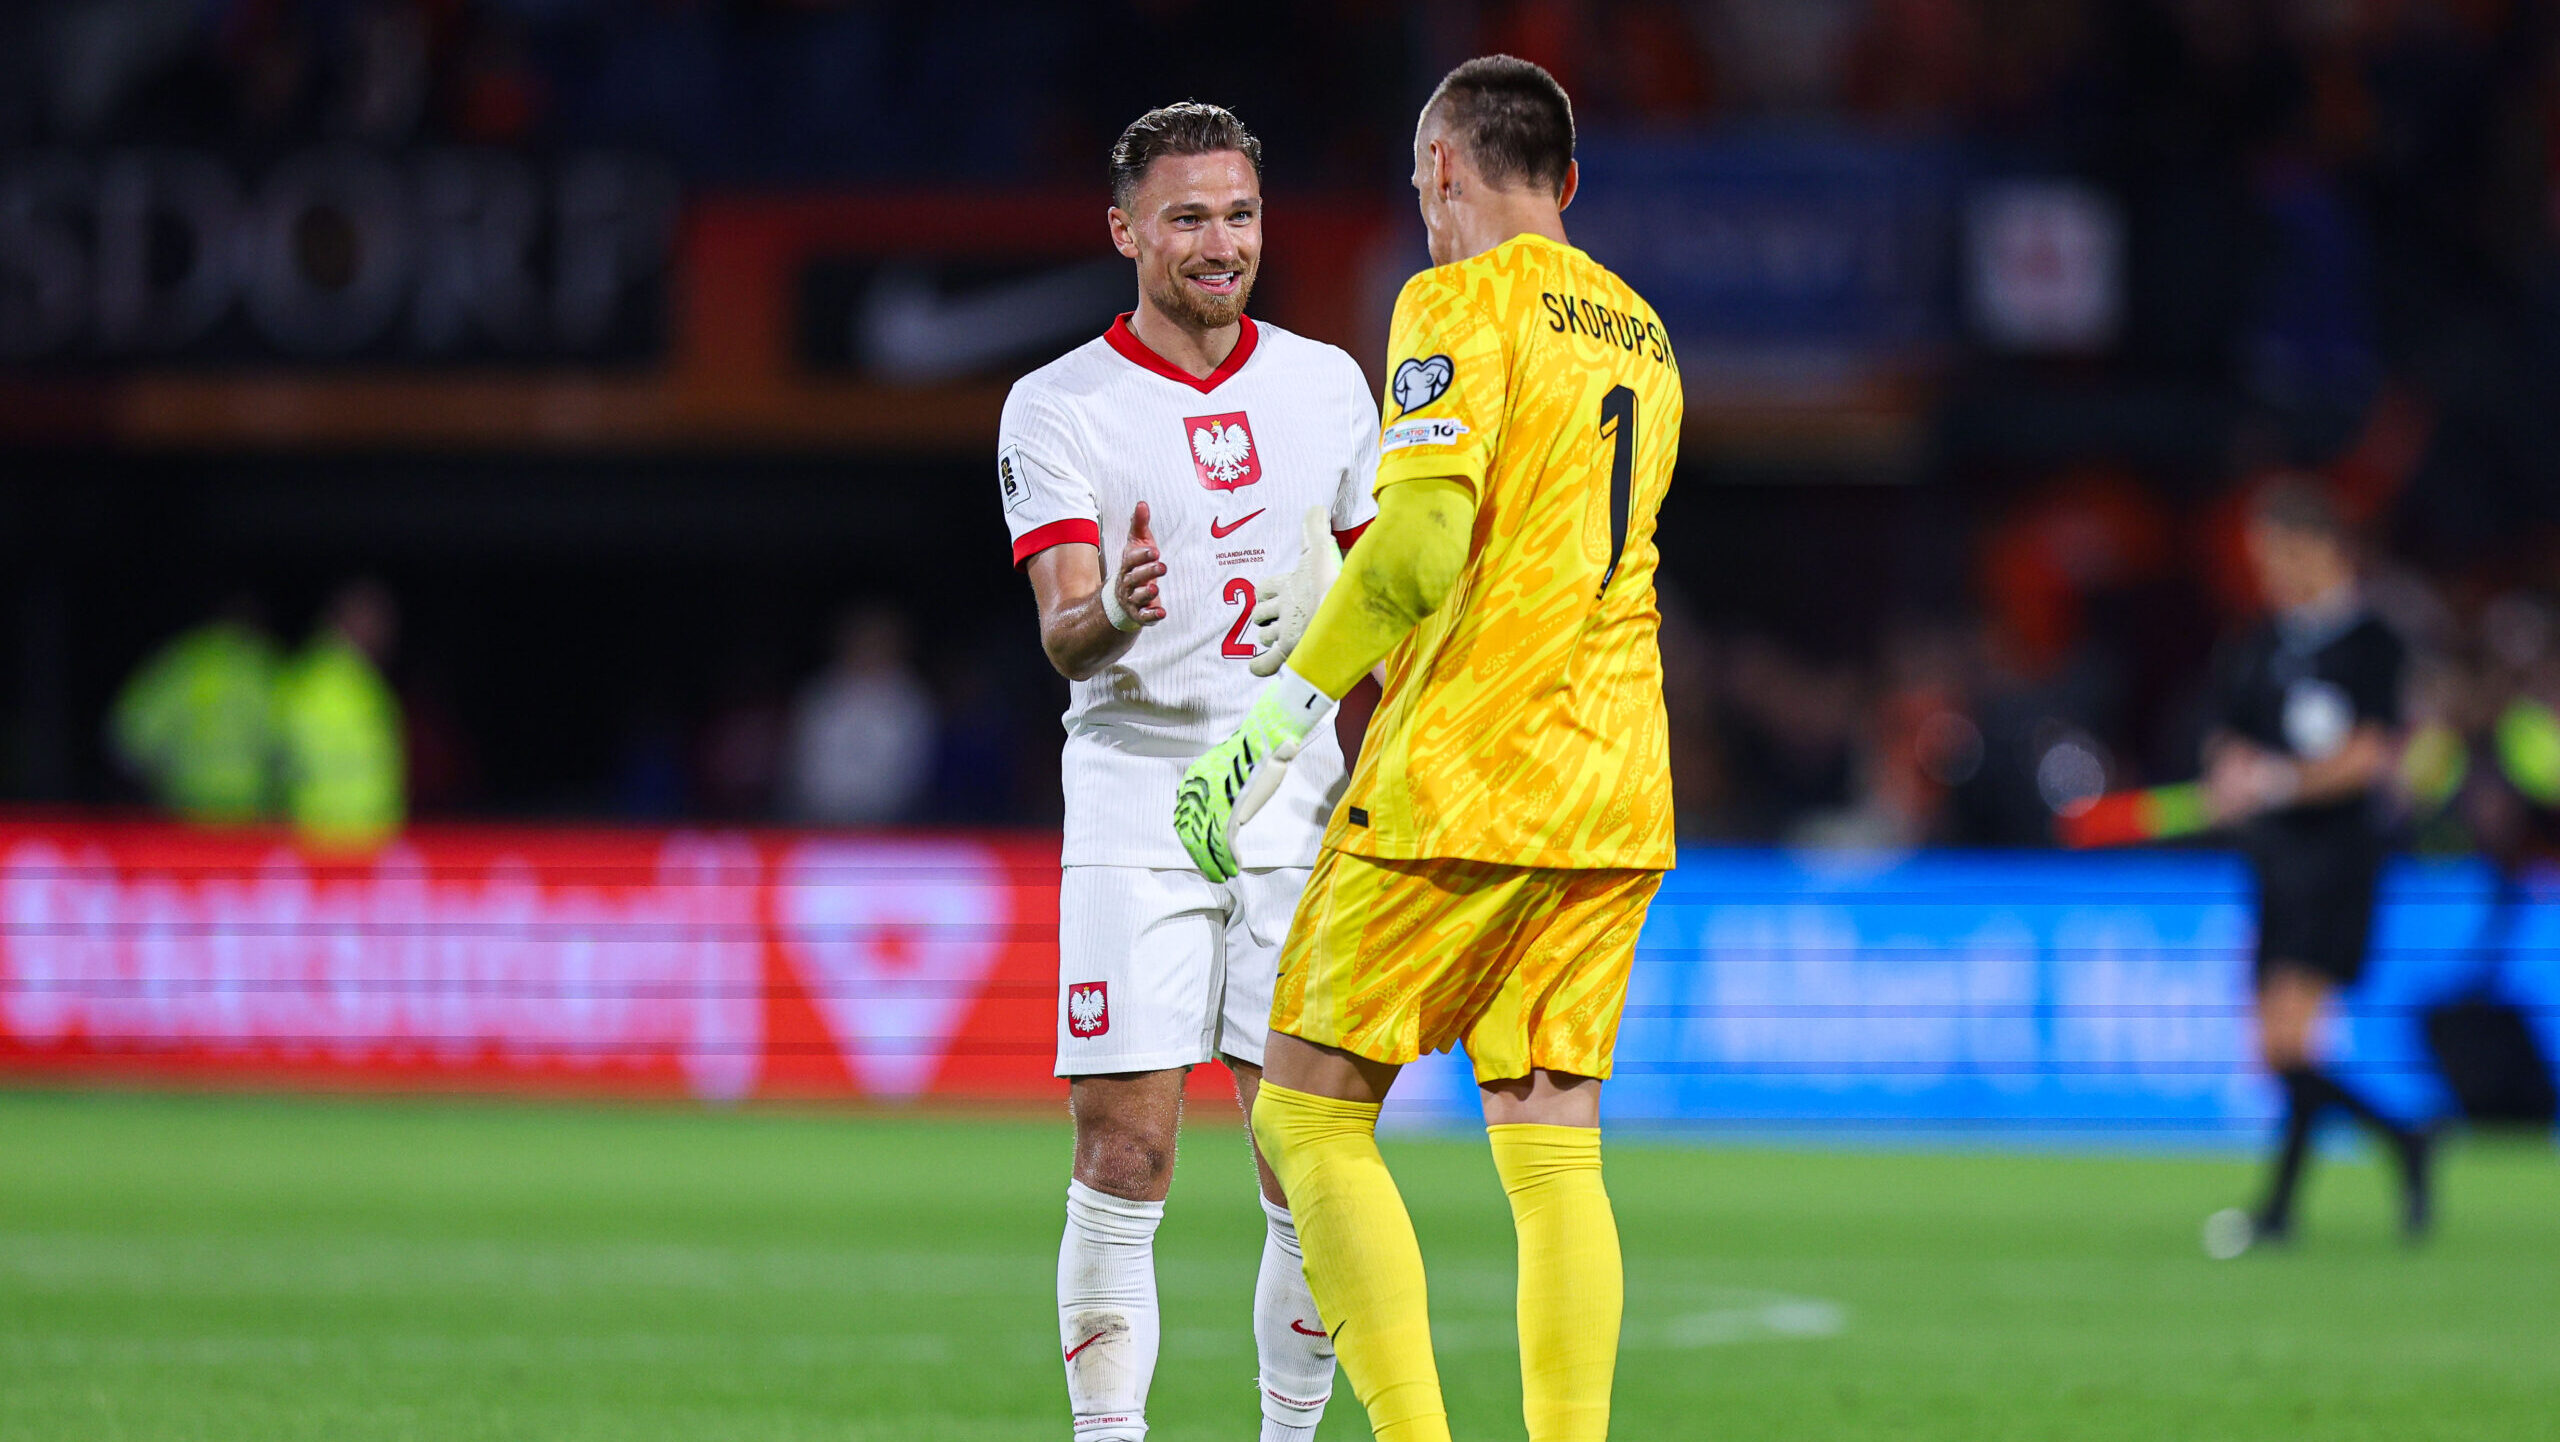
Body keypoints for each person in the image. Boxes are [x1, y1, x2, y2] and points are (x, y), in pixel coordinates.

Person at [1176, 57, 1681, 1442]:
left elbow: (1415, 547)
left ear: (1444, 168)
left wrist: (1277, 721)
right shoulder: (1643, 335)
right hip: (1614, 783)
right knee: (1552, 1145)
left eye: (1419, 181)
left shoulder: (1455, 300)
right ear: (1566, 180)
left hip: (1466, 772)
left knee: (1307, 1112)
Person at [997, 102, 1380, 1442]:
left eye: (1240, 214)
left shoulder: (1329, 384)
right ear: (1124, 229)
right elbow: (1064, 628)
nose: (1221, 243)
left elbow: (1390, 593)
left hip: (1296, 796)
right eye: (1187, 218)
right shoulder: (1059, 404)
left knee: (1307, 1155)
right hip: (1136, 791)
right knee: (1127, 1147)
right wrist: (1119, 606)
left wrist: (1336, 610)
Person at [2200, 480, 2431, 1259]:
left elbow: (2369, 756)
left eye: (2277, 555)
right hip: (2273, 859)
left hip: (2339, 859)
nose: (2268, 573)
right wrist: (2230, 776)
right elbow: (2230, 734)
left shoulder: (2376, 642)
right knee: (2279, 1050)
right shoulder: (2260, 641)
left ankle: (2279, 1211)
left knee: (2290, 1037)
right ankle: (2403, 1138)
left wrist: (2278, 782)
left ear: (2322, 549)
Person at [110, 594, 281, 825]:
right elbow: (290, 744)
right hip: (248, 811)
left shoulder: (180, 663)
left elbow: (130, 737)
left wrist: (152, 782)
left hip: (183, 807)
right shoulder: (263, 668)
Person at [274, 579, 406, 852]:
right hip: (322, 846)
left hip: (371, 845)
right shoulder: (311, 683)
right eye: (371, 617)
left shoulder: (365, 682)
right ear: (342, 619)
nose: (382, 630)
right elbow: (279, 765)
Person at [782, 605, 936, 825]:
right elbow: (800, 759)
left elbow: (914, 769)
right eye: (862, 638)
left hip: (890, 821)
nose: (868, 647)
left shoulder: (912, 700)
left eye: (878, 639)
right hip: (816, 817)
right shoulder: (819, 693)